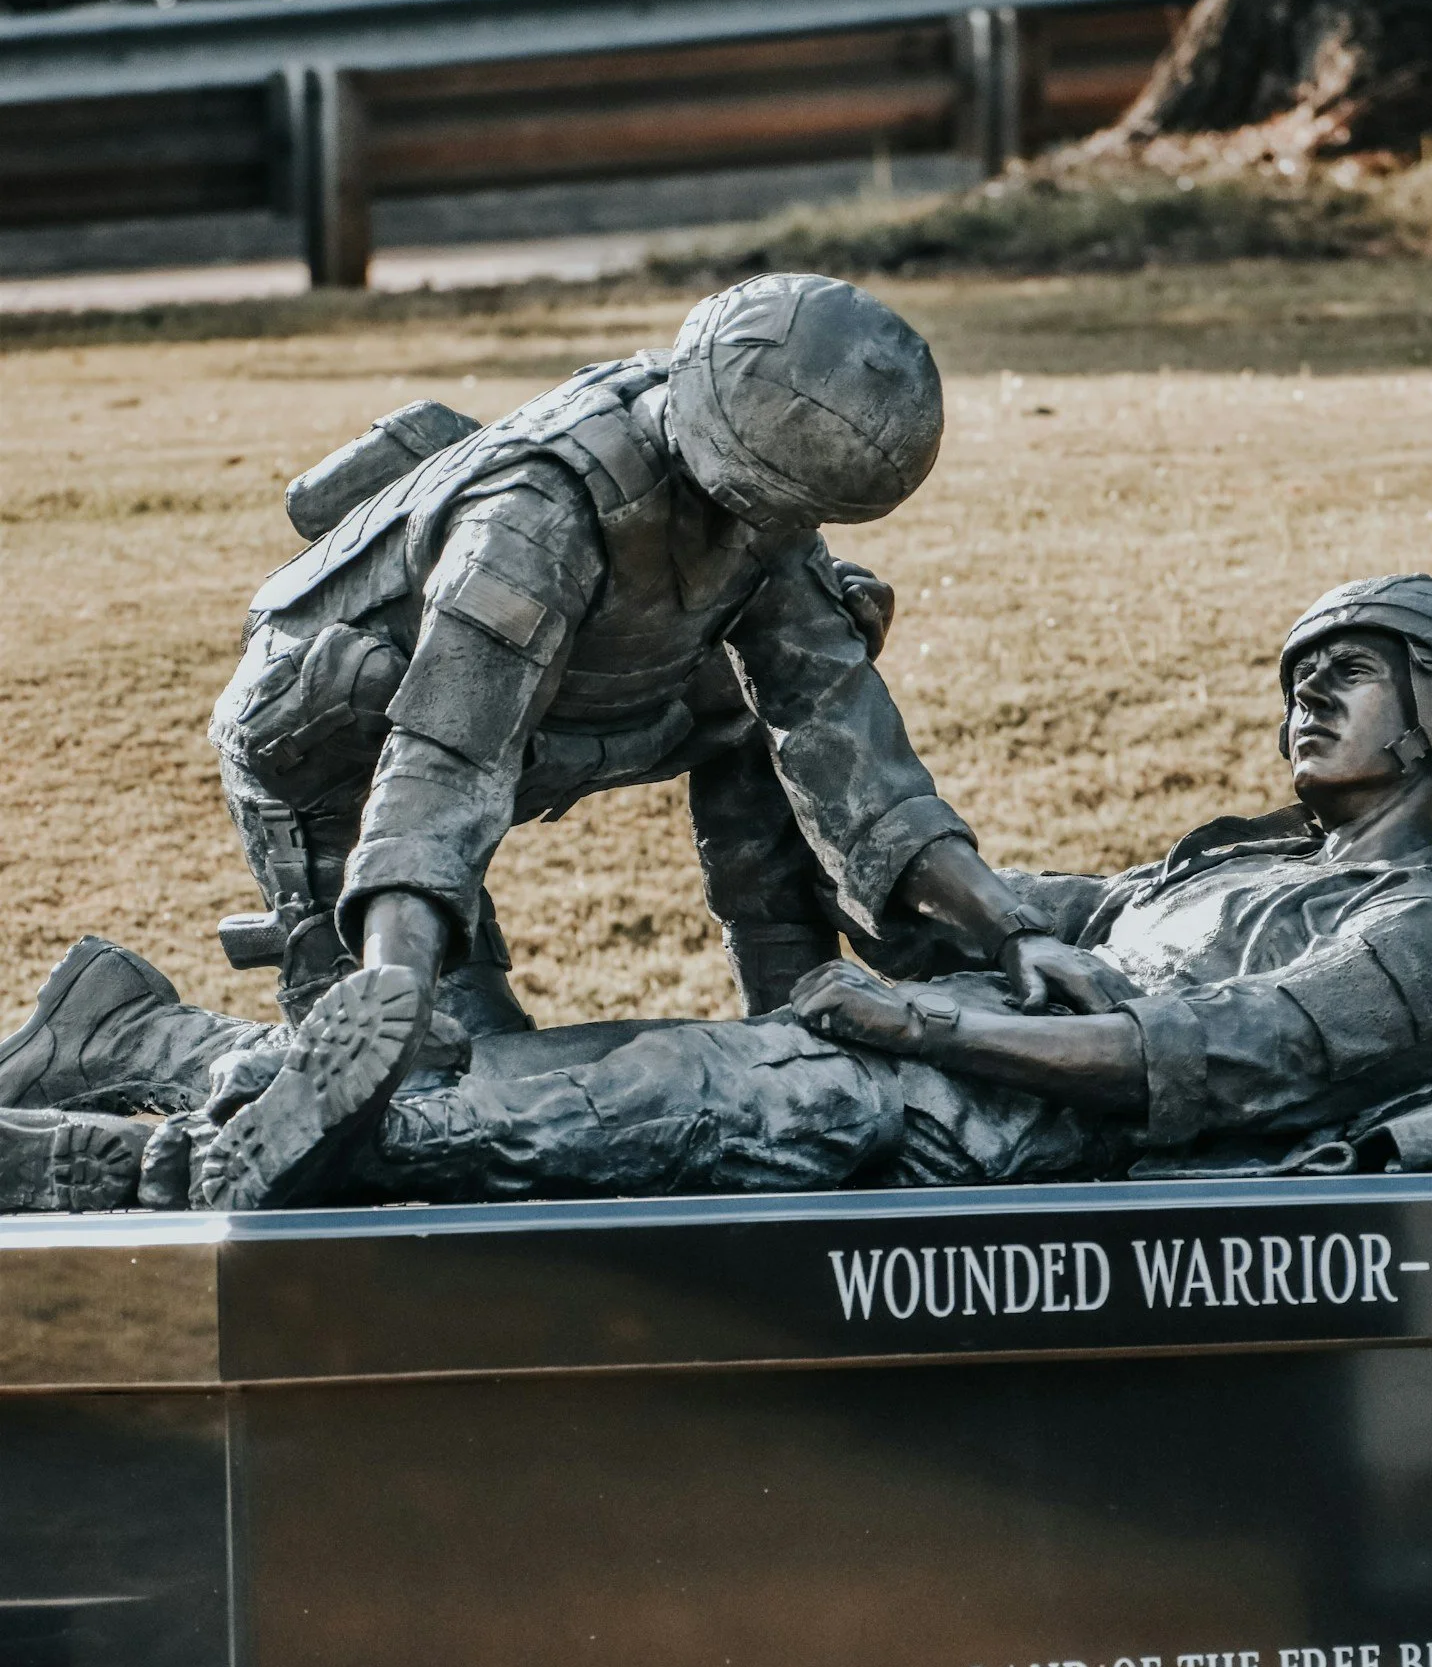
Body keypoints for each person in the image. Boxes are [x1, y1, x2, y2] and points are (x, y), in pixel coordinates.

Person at [0, 575, 1432, 1214]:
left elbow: (1178, 1064)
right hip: (880, 1068)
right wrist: (770, 710)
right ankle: (145, 1048)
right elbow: (972, 918)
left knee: (577, 1115)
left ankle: (148, 1168)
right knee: (515, 1073)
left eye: (1350, 674)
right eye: (1297, 676)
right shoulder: (1210, 870)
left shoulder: (1406, 933)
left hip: (958, 1127)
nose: (1306, 700)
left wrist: (912, 1025)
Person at [208, 271, 1082, 1081]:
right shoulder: (534, 519)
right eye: (774, 508)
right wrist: (395, 984)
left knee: (768, 689)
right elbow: (443, 766)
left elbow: (842, 737)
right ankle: (212, 1022)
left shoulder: (758, 499)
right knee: (447, 1074)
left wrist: (1012, 934)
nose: (781, 530)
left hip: (569, 704)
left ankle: (792, 997)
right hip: (335, 736)